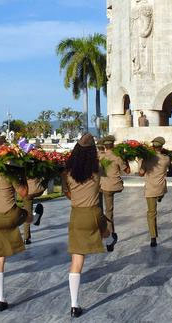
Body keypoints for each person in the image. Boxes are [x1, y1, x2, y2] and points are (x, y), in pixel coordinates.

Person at [63, 134, 110, 318]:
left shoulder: (67, 172)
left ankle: (74, 305)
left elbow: (68, 192)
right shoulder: (97, 169)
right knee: (107, 229)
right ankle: (108, 237)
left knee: (76, 261)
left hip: (76, 215)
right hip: (93, 212)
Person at [0, 135, 32, 312]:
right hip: (10, 214)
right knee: (27, 215)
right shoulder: (8, 169)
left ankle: (0, 300)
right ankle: (34, 217)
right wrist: (22, 172)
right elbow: (24, 192)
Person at [99, 135, 129, 252]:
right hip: (112, 186)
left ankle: (102, 233)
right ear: (113, 145)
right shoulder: (117, 157)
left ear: (104, 146)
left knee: (100, 211)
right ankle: (110, 236)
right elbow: (127, 171)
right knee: (109, 211)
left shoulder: (100, 156)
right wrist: (126, 159)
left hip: (101, 185)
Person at [139, 137, 170, 247]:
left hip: (150, 189)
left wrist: (141, 161)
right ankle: (160, 196)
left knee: (151, 213)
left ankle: (153, 237)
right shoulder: (166, 159)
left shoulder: (147, 159)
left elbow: (141, 173)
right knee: (161, 190)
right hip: (160, 187)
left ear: (153, 147)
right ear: (161, 147)